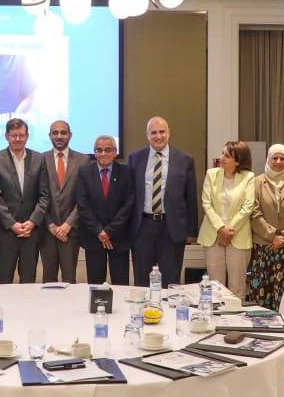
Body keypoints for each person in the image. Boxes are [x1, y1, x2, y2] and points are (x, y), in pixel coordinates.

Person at [127, 116, 199, 287]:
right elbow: (129, 195)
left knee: (170, 280)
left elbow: (191, 197)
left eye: (162, 132)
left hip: (172, 228)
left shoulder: (185, 159)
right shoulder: (135, 158)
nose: (158, 136)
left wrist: (191, 231)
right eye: (154, 132)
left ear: (169, 133)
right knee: (142, 281)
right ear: (147, 135)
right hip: (143, 227)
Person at [0, 118, 50, 283]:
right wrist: (12, 224)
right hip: (6, 233)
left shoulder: (39, 159)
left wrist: (33, 222)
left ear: (27, 136)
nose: (17, 139)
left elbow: (44, 195)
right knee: (3, 281)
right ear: (6, 136)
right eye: (13, 135)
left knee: (28, 282)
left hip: (31, 233)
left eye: (21, 135)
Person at [247, 144, 284, 310]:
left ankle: (283, 323)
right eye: (275, 158)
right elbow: (254, 212)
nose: (278, 162)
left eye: (282, 159)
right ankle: (261, 323)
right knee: (261, 288)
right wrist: (272, 236)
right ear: (268, 159)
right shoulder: (257, 182)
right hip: (263, 245)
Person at [199, 141, 256, 298]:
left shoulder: (248, 177)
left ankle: (236, 314)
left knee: (237, 286)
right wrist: (221, 229)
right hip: (213, 235)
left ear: (238, 161)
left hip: (238, 236)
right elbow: (206, 203)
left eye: (227, 156)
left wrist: (229, 230)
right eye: (222, 153)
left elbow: (248, 207)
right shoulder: (211, 174)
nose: (221, 157)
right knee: (215, 286)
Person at [76, 135, 135, 285]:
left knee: (120, 284)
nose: (103, 153)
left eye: (108, 150)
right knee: (95, 286)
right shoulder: (84, 172)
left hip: (119, 238)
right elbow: (83, 205)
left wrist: (109, 231)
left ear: (115, 152)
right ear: (94, 153)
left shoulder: (126, 172)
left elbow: (128, 205)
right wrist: (99, 231)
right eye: (99, 150)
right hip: (94, 238)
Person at [40, 120, 88, 283]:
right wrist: (50, 225)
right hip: (47, 231)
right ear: (49, 136)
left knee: (69, 279)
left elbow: (84, 197)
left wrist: (68, 224)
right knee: (48, 279)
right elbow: (38, 196)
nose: (59, 136)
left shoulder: (83, 160)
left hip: (71, 232)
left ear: (70, 135)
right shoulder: (40, 159)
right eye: (55, 133)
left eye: (63, 132)